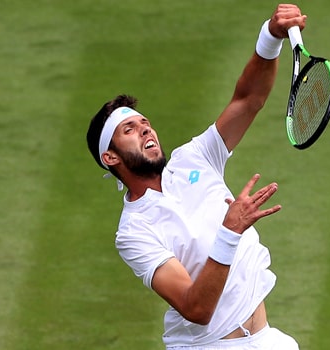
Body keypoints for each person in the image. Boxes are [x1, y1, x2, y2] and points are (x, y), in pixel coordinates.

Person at [85, 4, 306, 349]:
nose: (146, 131)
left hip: (265, 339)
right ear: (110, 157)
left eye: (145, 123)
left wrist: (270, 37)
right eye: (129, 129)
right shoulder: (133, 231)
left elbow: (248, 99)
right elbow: (195, 307)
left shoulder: (194, 158)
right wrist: (229, 231)